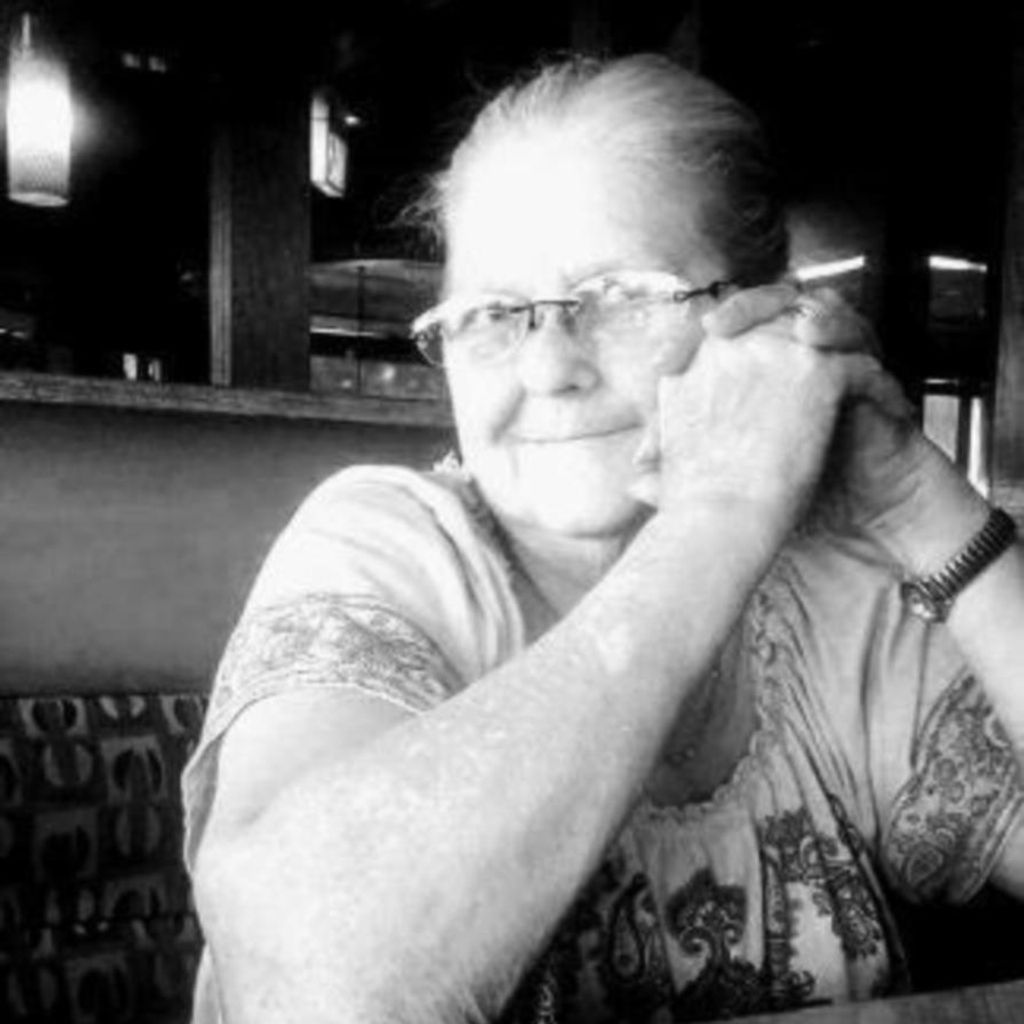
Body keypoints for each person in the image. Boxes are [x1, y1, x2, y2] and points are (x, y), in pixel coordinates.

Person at [182, 54, 1024, 1024]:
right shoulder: (384, 546)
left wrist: (922, 507)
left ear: (772, 319)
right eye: (491, 315)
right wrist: (718, 511)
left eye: (622, 296)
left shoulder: (828, 606)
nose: (547, 368)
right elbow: (308, 991)